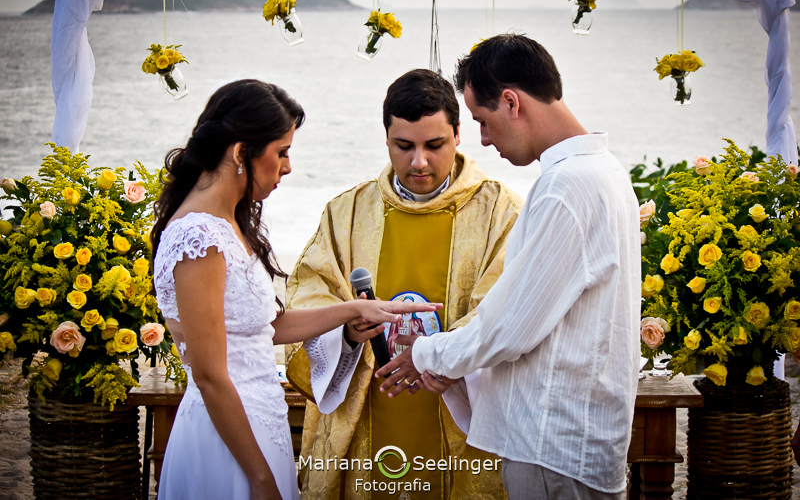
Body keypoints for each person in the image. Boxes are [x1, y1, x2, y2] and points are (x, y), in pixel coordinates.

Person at [376, 35, 641, 500]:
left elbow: (511, 326)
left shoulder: (567, 186)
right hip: (578, 436)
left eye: (482, 120)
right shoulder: (606, 172)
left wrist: (426, 354)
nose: (482, 138)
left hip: (553, 445)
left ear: (512, 102)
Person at [150, 79, 439, 500]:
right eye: (282, 152)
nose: (287, 166)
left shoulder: (229, 223)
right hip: (227, 438)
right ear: (240, 153)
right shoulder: (199, 238)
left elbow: (268, 327)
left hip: (259, 423)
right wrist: (260, 478)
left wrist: (356, 310)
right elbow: (210, 377)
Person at [285, 69, 521, 499]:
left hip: (458, 407)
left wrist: (443, 358)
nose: (419, 163)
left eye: (435, 145)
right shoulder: (347, 213)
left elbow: (509, 307)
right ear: (386, 139)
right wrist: (346, 330)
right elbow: (309, 293)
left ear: (458, 134)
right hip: (369, 405)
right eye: (404, 146)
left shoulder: (501, 213)